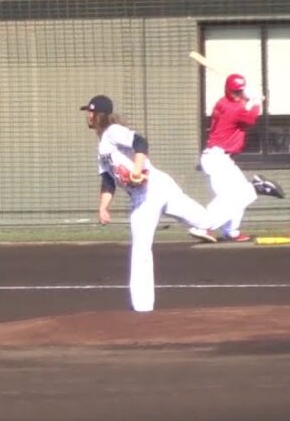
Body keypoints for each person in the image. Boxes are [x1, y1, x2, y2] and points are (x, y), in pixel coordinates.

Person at [81, 94, 216, 312]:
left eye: (90, 111)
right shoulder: (102, 148)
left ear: (99, 115)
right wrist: (103, 207)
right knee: (141, 249)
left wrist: (136, 169)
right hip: (144, 197)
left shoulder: (113, 132)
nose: (88, 115)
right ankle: (143, 309)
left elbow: (140, 142)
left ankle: (249, 191)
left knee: (207, 220)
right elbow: (108, 181)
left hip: (156, 187)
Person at [198, 73, 285, 242]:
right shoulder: (233, 109)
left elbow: (242, 108)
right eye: (235, 91)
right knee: (236, 196)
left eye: (240, 91)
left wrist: (249, 98)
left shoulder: (223, 102)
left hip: (221, 158)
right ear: (228, 90)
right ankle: (202, 226)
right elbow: (250, 117)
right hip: (217, 158)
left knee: (239, 192)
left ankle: (231, 231)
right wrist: (256, 100)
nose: (238, 94)